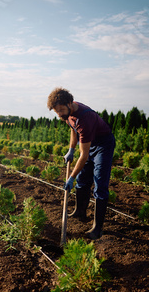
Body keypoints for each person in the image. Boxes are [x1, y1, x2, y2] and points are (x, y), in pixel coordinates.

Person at [47, 87, 116, 240]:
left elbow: (84, 155)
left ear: (70, 103)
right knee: (83, 179)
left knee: (99, 183)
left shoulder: (85, 118)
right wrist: (71, 149)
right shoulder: (68, 114)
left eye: (61, 110)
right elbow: (73, 129)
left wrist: (71, 177)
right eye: (56, 112)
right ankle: (80, 211)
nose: (59, 114)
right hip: (89, 143)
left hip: (103, 146)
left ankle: (97, 228)